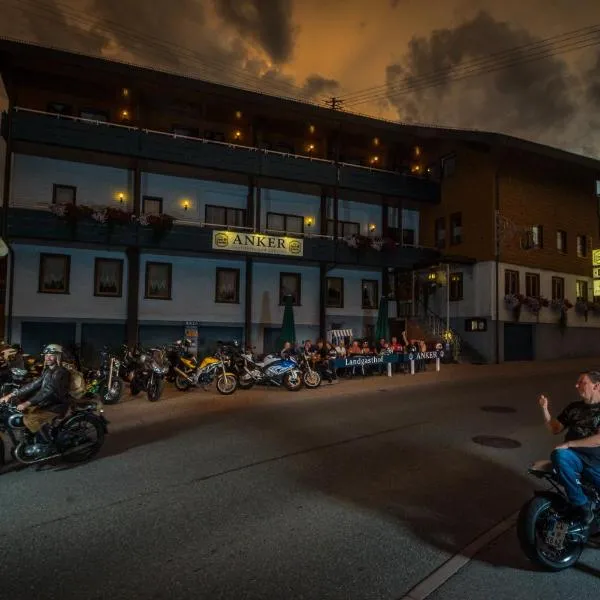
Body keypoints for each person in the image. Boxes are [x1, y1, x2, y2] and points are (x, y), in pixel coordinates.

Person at [538, 370, 600, 524]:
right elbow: (555, 428)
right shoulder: (574, 408)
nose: (576, 385)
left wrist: (570, 443)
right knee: (559, 454)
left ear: (596, 386)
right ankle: (581, 504)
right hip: (574, 459)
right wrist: (545, 409)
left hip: (596, 463)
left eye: (582, 382)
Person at [0, 343, 71, 458]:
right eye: (46, 355)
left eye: (51, 355)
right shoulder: (48, 371)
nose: (48, 357)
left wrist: (28, 402)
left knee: (30, 419)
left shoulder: (61, 372)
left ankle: (47, 445)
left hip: (56, 406)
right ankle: (32, 439)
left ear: (58, 357)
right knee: (21, 414)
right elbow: (33, 385)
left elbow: (48, 391)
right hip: (46, 404)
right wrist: (11, 395)